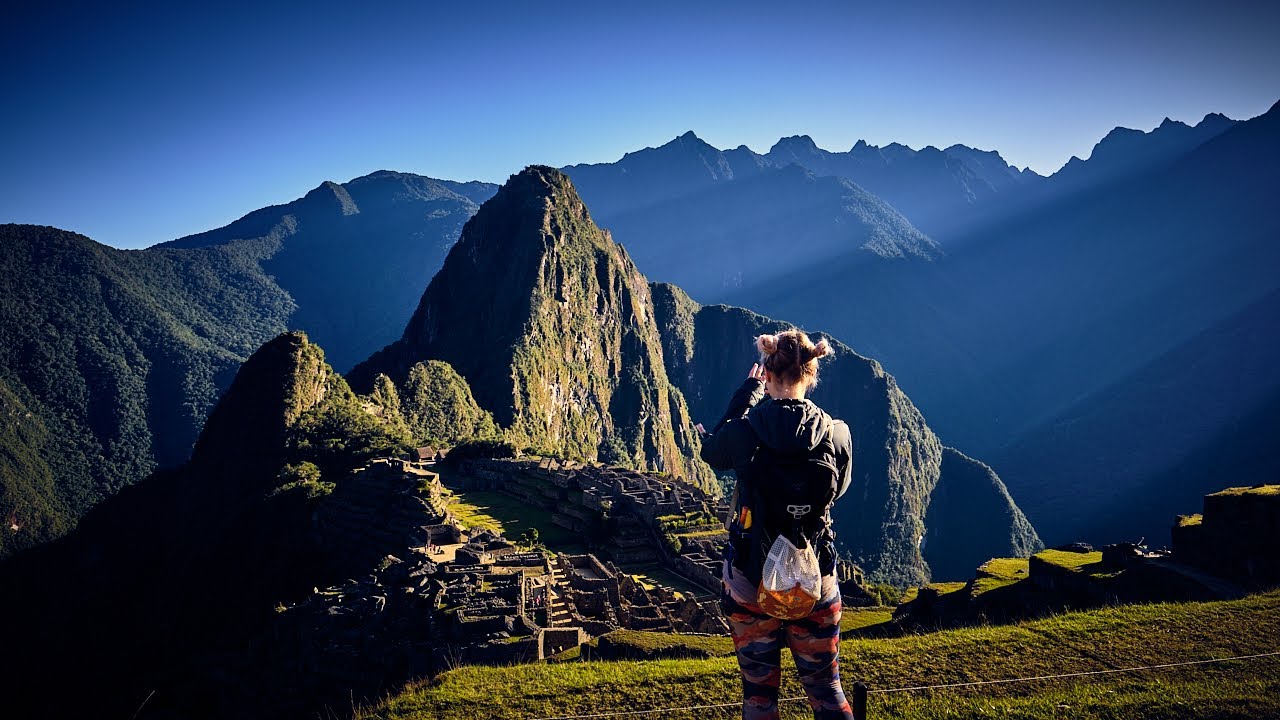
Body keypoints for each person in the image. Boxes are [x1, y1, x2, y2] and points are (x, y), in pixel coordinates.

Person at [700, 329, 855, 720]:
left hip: (751, 583)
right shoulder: (837, 435)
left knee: (759, 697)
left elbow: (712, 448)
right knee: (826, 688)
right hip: (814, 579)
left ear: (767, 373)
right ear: (811, 374)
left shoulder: (743, 433)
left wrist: (746, 395)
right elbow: (838, 491)